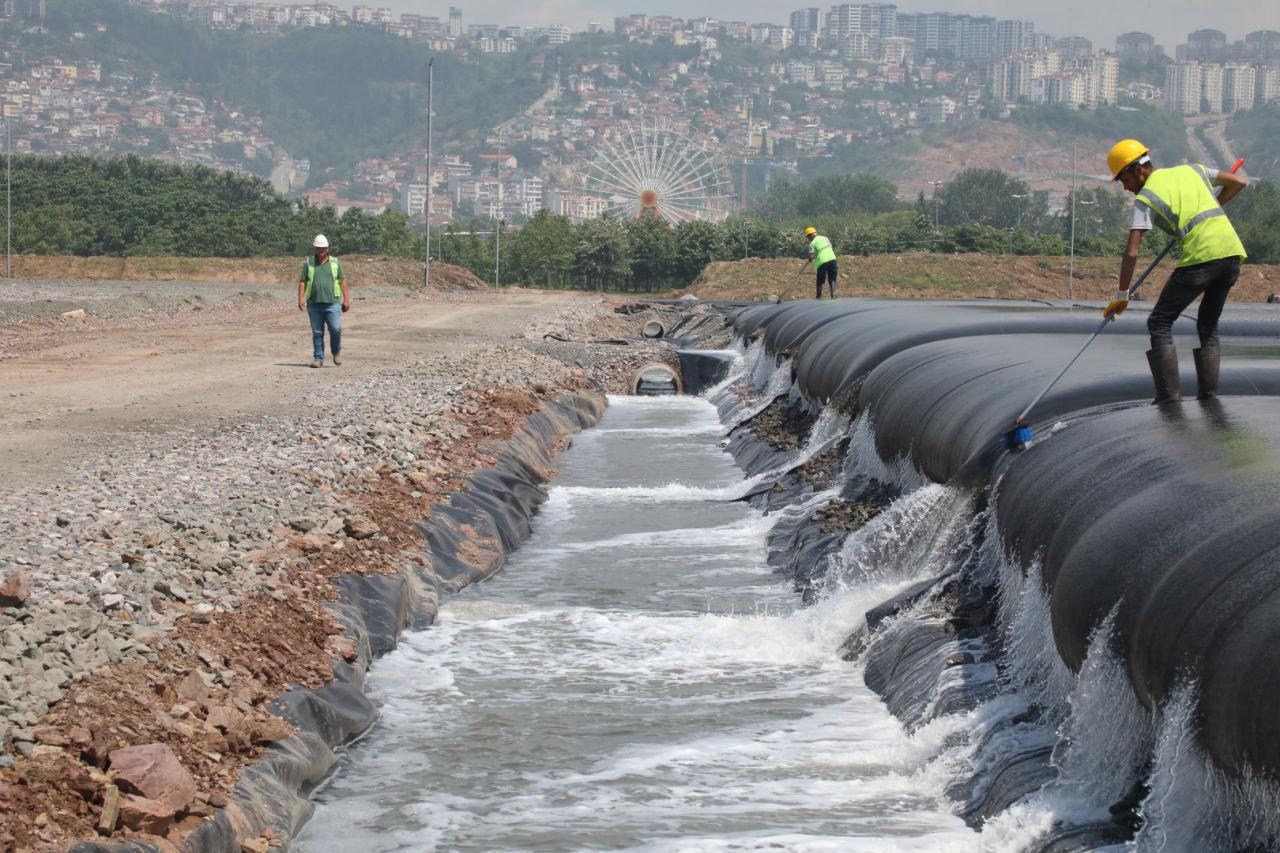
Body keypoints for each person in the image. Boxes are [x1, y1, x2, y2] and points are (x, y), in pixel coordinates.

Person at [1104, 139, 1247, 403]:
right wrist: (1216, 205)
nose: (1125, 188)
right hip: (1231, 254)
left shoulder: (1146, 198)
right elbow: (1239, 183)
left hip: (1202, 257)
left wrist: (1122, 294)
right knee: (1207, 324)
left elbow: (1131, 252)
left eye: (1124, 179)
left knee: (1158, 322)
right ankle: (1208, 395)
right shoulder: (1193, 169)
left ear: (1139, 170)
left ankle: (1169, 399)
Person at [298, 234, 350, 368]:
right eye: (318, 248)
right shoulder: (309, 263)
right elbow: (303, 282)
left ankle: (336, 352)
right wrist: (301, 299)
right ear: (315, 248)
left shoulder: (335, 263)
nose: (320, 251)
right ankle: (318, 358)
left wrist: (346, 300)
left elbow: (343, 281)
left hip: (332, 303)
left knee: (336, 329)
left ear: (327, 249)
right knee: (317, 332)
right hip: (314, 303)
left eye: (323, 248)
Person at [804, 226, 838, 299]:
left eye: (808, 237)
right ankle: (833, 295)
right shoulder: (825, 238)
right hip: (832, 259)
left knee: (820, 280)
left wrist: (809, 260)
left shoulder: (812, 244)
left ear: (811, 235)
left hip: (822, 262)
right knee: (832, 278)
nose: (808, 239)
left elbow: (811, 255)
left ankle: (818, 296)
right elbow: (829, 246)